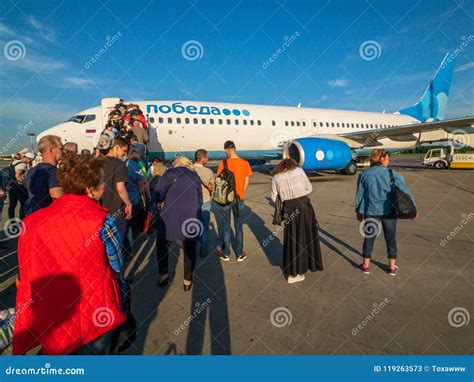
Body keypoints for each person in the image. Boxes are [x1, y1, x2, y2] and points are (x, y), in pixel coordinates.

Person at [13, 155, 126, 355]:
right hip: (95, 313)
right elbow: (116, 265)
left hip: (51, 310)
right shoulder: (103, 221)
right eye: (101, 180)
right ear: (90, 189)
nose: (103, 184)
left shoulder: (32, 221)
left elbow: (26, 267)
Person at [355, 149, 418, 276]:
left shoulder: (364, 174)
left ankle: (365, 266)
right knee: (391, 238)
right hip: (390, 212)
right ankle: (392, 268)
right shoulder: (393, 174)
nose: (388, 161)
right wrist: (413, 210)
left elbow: (359, 196)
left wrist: (358, 211)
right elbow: (406, 193)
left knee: (369, 238)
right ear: (382, 158)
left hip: (371, 211)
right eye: (388, 158)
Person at [271, 158, 323, 283]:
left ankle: (293, 272)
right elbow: (309, 188)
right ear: (293, 164)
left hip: (289, 209)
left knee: (292, 240)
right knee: (307, 237)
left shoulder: (276, 177)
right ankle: (305, 267)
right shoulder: (299, 171)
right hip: (304, 206)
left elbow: (274, 197)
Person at [155, 156, 202, 292]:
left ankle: (164, 276)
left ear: (176, 164)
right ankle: (187, 281)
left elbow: (158, 190)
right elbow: (199, 197)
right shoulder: (194, 176)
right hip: (190, 216)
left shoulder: (169, 173)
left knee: (162, 245)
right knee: (189, 248)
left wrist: (160, 201)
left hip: (170, 214)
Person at [215, 140, 252, 262]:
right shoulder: (245, 163)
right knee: (239, 226)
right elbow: (246, 181)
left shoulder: (223, 163)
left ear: (226, 150)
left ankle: (226, 254)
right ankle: (240, 253)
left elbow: (219, 181)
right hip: (239, 198)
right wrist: (242, 193)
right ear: (235, 148)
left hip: (226, 200)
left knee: (226, 226)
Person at [99, 136, 132, 242]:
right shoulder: (119, 164)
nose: (124, 155)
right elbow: (121, 188)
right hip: (116, 212)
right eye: (124, 151)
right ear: (116, 147)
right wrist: (128, 204)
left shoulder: (96, 162)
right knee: (116, 244)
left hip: (98, 210)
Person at [26, 136, 63, 215]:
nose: (63, 151)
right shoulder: (53, 171)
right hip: (50, 218)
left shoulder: (32, 171)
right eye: (61, 149)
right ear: (51, 150)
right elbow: (58, 200)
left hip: (35, 216)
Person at [125, 149, 149, 241]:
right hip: (134, 197)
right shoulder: (138, 164)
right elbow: (143, 180)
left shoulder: (124, 163)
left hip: (124, 198)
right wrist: (144, 197)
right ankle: (134, 238)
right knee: (133, 219)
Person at [194, 149, 214, 257]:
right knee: (205, 227)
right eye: (207, 157)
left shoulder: (189, 169)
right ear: (202, 159)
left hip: (192, 202)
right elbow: (212, 188)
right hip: (205, 200)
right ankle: (204, 250)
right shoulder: (208, 172)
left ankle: (191, 247)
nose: (208, 159)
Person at [6, 151, 34, 220]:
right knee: (23, 204)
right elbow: (17, 176)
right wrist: (25, 184)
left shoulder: (14, 162)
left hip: (11, 186)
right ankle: (22, 220)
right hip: (19, 186)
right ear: (28, 158)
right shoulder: (23, 164)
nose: (30, 162)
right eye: (31, 160)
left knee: (12, 205)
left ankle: (11, 221)